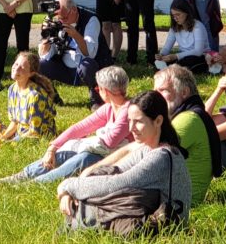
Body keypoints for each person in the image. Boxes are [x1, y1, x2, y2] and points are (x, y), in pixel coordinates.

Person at [56, 90, 192, 234]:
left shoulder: (162, 157)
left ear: (158, 121)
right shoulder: (148, 148)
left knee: (104, 196)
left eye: (138, 121)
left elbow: (118, 183)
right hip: (149, 212)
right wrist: (72, 189)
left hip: (166, 224)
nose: (131, 128)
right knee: (102, 174)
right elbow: (115, 169)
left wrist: (68, 185)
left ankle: (80, 216)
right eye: (129, 121)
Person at [0, 66, 132, 184]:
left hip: (119, 159)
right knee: (62, 154)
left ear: (105, 91)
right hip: (102, 151)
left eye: (97, 89)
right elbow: (80, 127)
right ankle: (21, 176)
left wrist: (88, 139)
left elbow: (111, 141)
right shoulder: (110, 107)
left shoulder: (127, 110)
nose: (97, 91)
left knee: (83, 158)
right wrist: (53, 147)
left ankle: (35, 183)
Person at [153, 65, 220, 204]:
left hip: (179, 203)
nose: (155, 96)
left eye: (162, 90)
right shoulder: (187, 114)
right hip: (173, 195)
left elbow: (149, 157)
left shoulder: (188, 120)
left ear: (184, 92)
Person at [0, 51, 58, 146]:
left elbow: (35, 132)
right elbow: (15, 122)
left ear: (31, 73)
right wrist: (3, 137)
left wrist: (9, 141)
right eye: (16, 64)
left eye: (22, 68)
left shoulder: (35, 96)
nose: (17, 68)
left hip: (36, 137)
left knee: (11, 143)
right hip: (19, 132)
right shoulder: (12, 89)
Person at [39, 0, 111, 107]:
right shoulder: (56, 21)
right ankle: (52, 96)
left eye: (65, 18)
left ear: (73, 10)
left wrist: (75, 35)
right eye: (59, 19)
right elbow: (45, 56)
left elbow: (90, 53)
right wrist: (46, 37)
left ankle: (96, 100)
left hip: (90, 68)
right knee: (38, 65)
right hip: (65, 68)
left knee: (87, 66)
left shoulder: (91, 19)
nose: (62, 21)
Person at [156, 0, 210, 73]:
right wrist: (161, 54)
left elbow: (198, 51)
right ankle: (173, 68)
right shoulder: (174, 28)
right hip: (182, 56)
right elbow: (167, 47)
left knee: (186, 61)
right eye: (173, 15)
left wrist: (176, 56)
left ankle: (173, 69)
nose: (175, 18)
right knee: (159, 62)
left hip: (200, 57)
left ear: (186, 13)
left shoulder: (197, 26)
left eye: (178, 15)